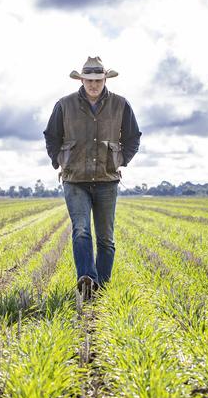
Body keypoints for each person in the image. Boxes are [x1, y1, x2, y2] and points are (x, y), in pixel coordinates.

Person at [44, 56, 141, 300]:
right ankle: (87, 280)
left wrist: (121, 160)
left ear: (105, 79)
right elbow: (51, 135)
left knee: (106, 239)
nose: (93, 85)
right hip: (74, 180)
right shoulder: (64, 105)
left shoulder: (121, 104)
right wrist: (59, 161)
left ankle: (102, 288)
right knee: (81, 231)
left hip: (107, 180)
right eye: (89, 80)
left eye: (98, 80)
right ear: (82, 79)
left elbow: (133, 137)